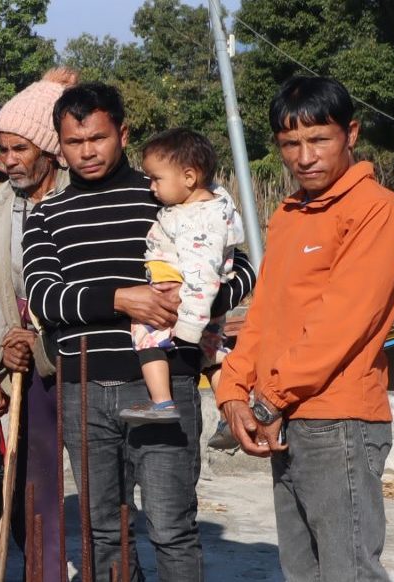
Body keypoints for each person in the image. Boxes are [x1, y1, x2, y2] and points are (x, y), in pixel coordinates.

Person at [25, 83, 251, 582]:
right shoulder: (46, 214)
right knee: (104, 532)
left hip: (164, 385)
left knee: (171, 528)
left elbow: (243, 270)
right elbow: (44, 297)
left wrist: (195, 304)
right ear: (59, 145)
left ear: (123, 133)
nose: (86, 151)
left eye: (98, 138)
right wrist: (120, 299)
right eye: (73, 142)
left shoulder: (165, 195)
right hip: (83, 390)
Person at [215, 77, 394, 582]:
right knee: (301, 570)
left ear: (351, 134)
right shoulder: (289, 214)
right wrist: (233, 391)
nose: (304, 157)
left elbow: (340, 323)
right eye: (290, 144)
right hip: (284, 416)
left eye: (319, 139)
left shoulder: (377, 210)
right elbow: (264, 314)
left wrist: (268, 399)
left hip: (338, 420)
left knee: (348, 571)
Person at [0, 67, 76, 582]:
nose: (9, 160)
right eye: (3, 149)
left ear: (49, 149)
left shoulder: (82, 197)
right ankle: (44, 573)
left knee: (99, 479)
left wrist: (41, 334)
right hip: (26, 367)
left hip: (81, 356)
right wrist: (4, 345)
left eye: (20, 148)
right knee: (36, 482)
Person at [121, 129, 244, 426]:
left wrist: (189, 324)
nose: (151, 187)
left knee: (145, 334)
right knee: (212, 353)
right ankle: (230, 414)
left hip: (182, 300)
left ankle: (162, 402)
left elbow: (201, 274)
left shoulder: (196, 221)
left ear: (189, 177)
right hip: (202, 304)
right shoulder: (215, 206)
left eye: (156, 179)